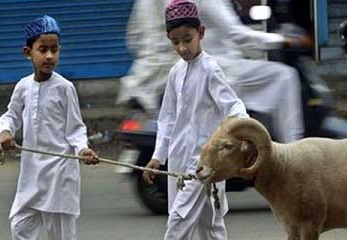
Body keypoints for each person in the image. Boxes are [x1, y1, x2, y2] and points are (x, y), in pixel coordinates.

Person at [138, 0, 248, 240]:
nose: (183, 47)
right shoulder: (175, 72)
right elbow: (167, 119)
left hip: (203, 166)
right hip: (177, 163)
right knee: (210, 227)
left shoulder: (211, 69)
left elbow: (234, 107)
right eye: (175, 42)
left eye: (188, 39)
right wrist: (157, 157)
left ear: (201, 32)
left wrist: (239, 135)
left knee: (178, 220)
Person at [0, 15, 99, 240]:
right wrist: (5, 131)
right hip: (32, 173)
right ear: (28, 52)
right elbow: (10, 115)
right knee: (20, 224)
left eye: (55, 49)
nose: (50, 56)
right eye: (43, 49)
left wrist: (83, 149)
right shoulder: (23, 87)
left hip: (60, 174)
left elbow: (76, 129)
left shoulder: (65, 88)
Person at [117, 0, 309, 143]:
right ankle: (292, 150)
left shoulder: (144, 3)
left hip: (153, 74)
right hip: (217, 68)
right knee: (284, 76)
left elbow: (133, 38)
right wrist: (283, 40)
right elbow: (237, 34)